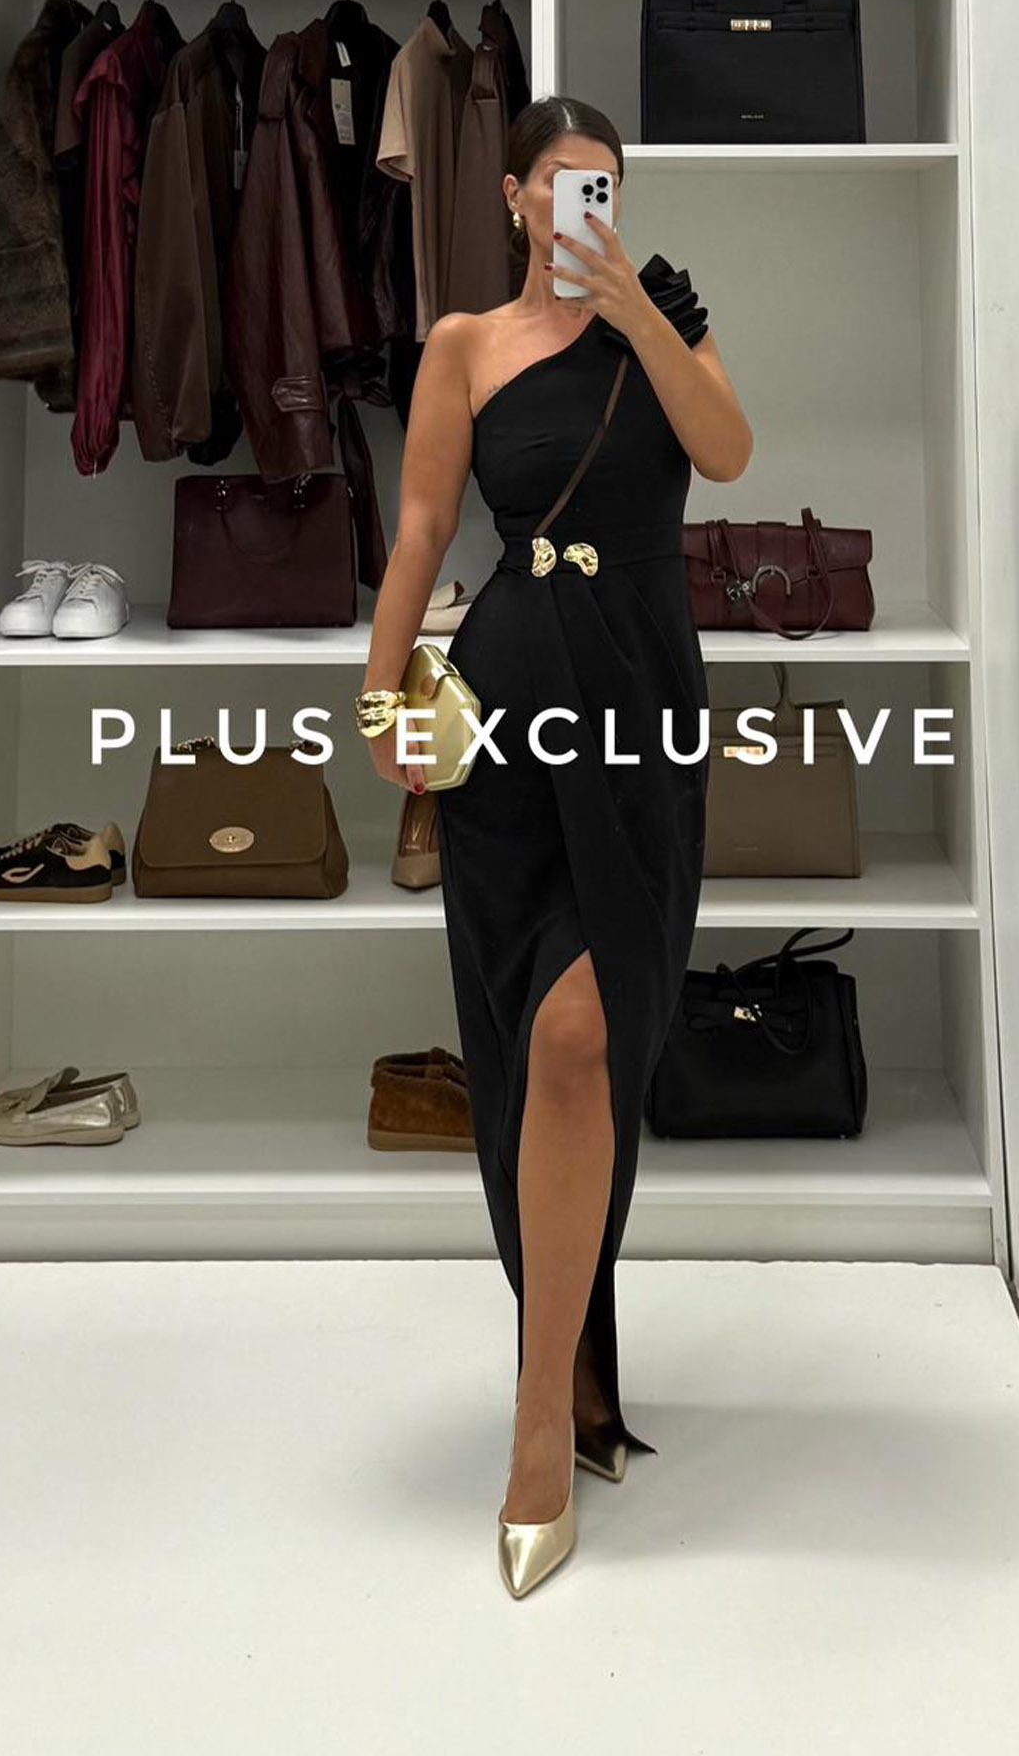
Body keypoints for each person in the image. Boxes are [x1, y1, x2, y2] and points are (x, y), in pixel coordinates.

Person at [357, 95, 753, 1597]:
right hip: (512, 711)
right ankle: (560, 1393)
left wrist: (638, 311)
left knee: (593, 1032)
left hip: (643, 703)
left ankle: (544, 1419)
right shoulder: (461, 346)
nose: (587, 206)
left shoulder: (671, 319)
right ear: (516, 197)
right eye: (565, 186)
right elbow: (419, 528)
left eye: (609, 187)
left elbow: (726, 454)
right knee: (526, 1047)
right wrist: (382, 695)